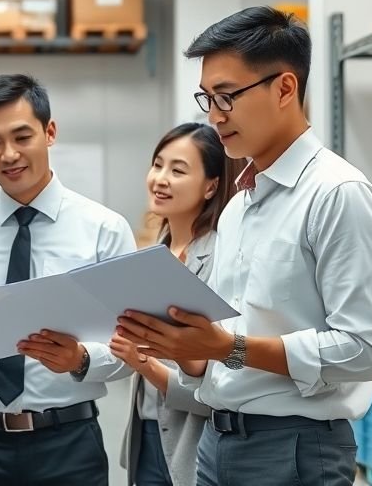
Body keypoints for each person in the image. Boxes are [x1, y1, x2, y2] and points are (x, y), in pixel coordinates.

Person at [115, 6, 372, 486]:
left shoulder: (337, 194)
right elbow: (224, 350)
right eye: (207, 98)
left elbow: (360, 350)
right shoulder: (238, 207)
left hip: (295, 448)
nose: (215, 117)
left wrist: (231, 347)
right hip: (217, 442)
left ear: (285, 88)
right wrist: (182, 346)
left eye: (227, 97)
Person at [0, 74, 136, 486]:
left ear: (50, 132)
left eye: (22, 137)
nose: (8, 154)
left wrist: (80, 359)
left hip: (68, 444)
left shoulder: (103, 229)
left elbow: (131, 348)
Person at [111, 123, 242, 486]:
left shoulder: (222, 256)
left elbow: (225, 381)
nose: (160, 179)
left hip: (195, 443)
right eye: (157, 165)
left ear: (211, 185)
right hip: (147, 434)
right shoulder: (153, 256)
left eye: (178, 170)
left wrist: (146, 365)